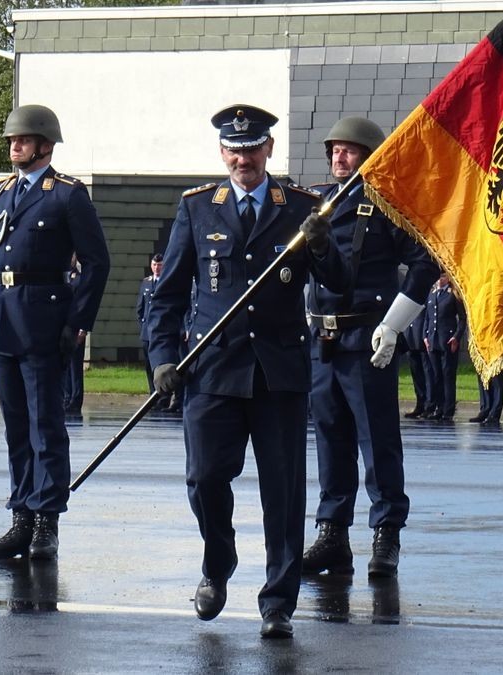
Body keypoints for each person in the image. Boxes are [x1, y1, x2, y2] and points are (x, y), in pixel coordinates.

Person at [146, 104, 344, 640]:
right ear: (221, 153)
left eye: (252, 149)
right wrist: (163, 358)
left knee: (283, 493)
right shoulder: (197, 209)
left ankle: (278, 601)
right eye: (233, 150)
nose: (243, 159)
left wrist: (322, 245)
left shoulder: (301, 208)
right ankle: (219, 559)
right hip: (212, 370)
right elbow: (166, 298)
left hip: (278, 373)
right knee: (204, 478)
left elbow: (338, 281)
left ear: (269, 151)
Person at [300, 116, 439, 580]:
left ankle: (386, 534)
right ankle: (332, 534)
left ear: (370, 156)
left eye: (350, 150)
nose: (340, 157)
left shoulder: (386, 204)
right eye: (335, 150)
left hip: (367, 339)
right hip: (323, 341)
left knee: (377, 444)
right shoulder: (317, 202)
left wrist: (395, 324)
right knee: (330, 441)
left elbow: (424, 264)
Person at [0, 104, 110, 561]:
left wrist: (77, 323)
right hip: (4, 323)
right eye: (12, 140)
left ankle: (46, 520)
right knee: (15, 425)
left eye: (24, 139)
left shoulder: (67, 195)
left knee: (45, 426)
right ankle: (21, 515)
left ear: (46, 145)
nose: (15, 146)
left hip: (46, 320)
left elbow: (96, 263)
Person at [423, 272, 465, 420]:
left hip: (447, 340)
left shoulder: (452, 293)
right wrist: (425, 336)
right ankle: (438, 408)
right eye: (438, 276)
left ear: (448, 278)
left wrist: (456, 336)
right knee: (436, 376)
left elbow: (462, 319)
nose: (440, 279)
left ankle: (448, 409)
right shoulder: (432, 293)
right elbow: (428, 317)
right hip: (433, 340)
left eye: (442, 276)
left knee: (448, 375)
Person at [136, 253, 166, 407]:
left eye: (159, 265)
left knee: (159, 364)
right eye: (154, 265)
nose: (157, 268)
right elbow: (140, 309)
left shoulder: (167, 281)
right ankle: (152, 394)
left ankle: (162, 396)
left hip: (161, 331)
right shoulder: (146, 283)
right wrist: (143, 328)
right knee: (148, 366)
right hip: (147, 332)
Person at [63, 254, 86, 414]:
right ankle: (66, 397)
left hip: (76, 328)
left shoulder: (80, 279)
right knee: (65, 365)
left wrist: (83, 329)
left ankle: (75, 400)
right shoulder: (63, 278)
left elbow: (83, 305)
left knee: (75, 367)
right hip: (63, 327)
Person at [401, 316, 428, 418]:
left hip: (422, 336)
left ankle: (429, 404)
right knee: (416, 375)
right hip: (410, 337)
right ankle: (420, 403)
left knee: (427, 374)